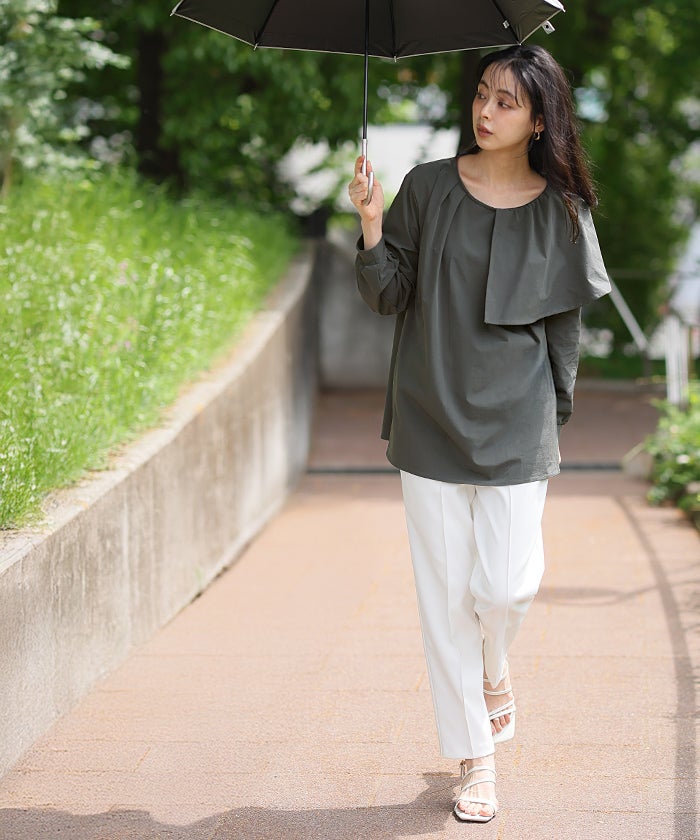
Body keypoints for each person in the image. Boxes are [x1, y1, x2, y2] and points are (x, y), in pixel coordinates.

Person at [347, 44, 610, 823]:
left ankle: (496, 667)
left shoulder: (563, 211)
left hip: (518, 422)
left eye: (506, 102)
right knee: (444, 600)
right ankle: (476, 761)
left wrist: (553, 419)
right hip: (429, 414)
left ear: (539, 121)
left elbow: (564, 334)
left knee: (505, 587)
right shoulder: (429, 187)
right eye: (482, 95)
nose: (486, 111)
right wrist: (371, 225)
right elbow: (387, 295)